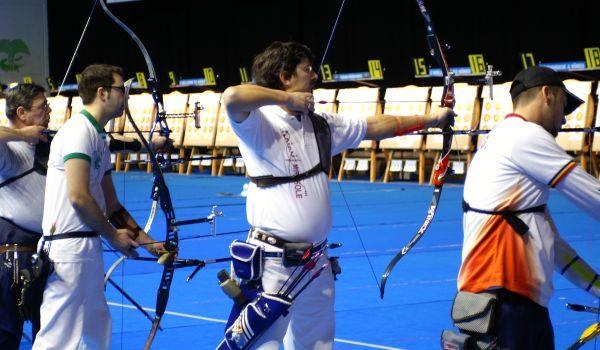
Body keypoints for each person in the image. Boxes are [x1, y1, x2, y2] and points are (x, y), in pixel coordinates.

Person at [222, 40, 455, 349]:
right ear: (284, 76)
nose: (315, 76)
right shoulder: (257, 123)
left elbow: (375, 126)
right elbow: (233, 96)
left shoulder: (321, 125)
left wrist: (432, 119)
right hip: (272, 264)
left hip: (315, 263)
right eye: (307, 70)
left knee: (316, 344)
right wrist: (287, 98)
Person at [456, 65, 600, 349]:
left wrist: (596, 286)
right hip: (508, 299)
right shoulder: (525, 137)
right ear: (547, 95)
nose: (564, 117)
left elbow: (550, 244)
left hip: (508, 300)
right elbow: (595, 197)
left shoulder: (501, 138)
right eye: (563, 105)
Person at [32, 64, 166, 350]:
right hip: (69, 251)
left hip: (87, 248)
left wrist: (150, 243)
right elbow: (79, 196)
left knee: (96, 330)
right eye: (121, 89)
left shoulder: (98, 139)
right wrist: (113, 237)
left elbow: (113, 206)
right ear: (103, 93)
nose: (126, 96)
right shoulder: (78, 132)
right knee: (57, 339)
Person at [0, 83, 51, 349]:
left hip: (48, 254)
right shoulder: (8, 150)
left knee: (51, 332)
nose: (49, 111)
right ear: (21, 113)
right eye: (43, 107)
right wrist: (22, 135)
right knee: (7, 334)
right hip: (13, 257)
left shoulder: (46, 144)